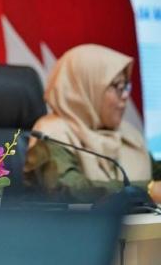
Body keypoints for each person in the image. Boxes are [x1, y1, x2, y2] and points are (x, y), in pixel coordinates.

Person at [24, 44, 161, 203]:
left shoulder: (129, 134)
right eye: (117, 86)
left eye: (126, 87)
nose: (125, 96)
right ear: (84, 87)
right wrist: (148, 190)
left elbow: (156, 172)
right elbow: (70, 190)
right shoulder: (51, 133)